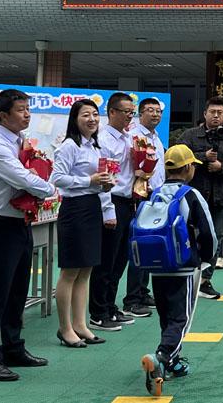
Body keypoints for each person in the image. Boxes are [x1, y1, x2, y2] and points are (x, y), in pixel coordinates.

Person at [0, 88, 56, 381]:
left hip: (21, 224)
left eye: (28, 109)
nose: (27, 115)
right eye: (21, 110)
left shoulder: (21, 141)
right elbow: (22, 178)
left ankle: (13, 348)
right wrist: (49, 188)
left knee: (17, 291)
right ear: (2, 115)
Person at [140, 145, 217, 397]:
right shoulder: (190, 194)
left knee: (166, 315)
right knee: (180, 318)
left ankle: (172, 362)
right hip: (183, 266)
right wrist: (206, 258)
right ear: (188, 168)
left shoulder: (154, 193)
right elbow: (208, 232)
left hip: (157, 265)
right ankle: (162, 357)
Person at [50, 99, 114, 347]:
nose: (92, 119)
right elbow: (58, 178)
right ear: (75, 119)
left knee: (86, 270)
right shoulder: (69, 146)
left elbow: (97, 181)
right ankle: (65, 328)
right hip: (74, 209)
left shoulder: (95, 147)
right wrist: (90, 181)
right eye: (85, 115)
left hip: (92, 206)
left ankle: (80, 325)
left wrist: (105, 184)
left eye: (95, 114)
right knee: (70, 271)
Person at [180, 97, 223, 299]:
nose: (216, 116)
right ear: (205, 114)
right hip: (193, 198)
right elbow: (178, 160)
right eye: (212, 112)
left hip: (221, 199)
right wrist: (203, 157)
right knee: (190, 237)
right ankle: (188, 278)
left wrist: (221, 167)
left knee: (215, 238)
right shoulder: (190, 136)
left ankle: (205, 281)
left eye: (220, 113)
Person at [90, 92, 139, 332]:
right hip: (111, 201)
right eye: (126, 112)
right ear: (111, 112)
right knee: (106, 260)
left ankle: (110, 306)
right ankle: (98, 312)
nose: (130, 116)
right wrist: (107, 210)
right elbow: (104, 178)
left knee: (120, 259)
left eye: (132, 112)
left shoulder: (129, 138)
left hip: (128, 201)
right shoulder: (103, 139)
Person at [123, 97, 166, 318]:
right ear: (140, 113)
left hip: (155, 197)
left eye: (158, 111)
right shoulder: (133, 136)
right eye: (150, 110)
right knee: (138, 247)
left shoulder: (156, 137)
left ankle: (142, 291)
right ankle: (132, 299)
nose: (155, 114)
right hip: (139, 197)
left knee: (149, 246)